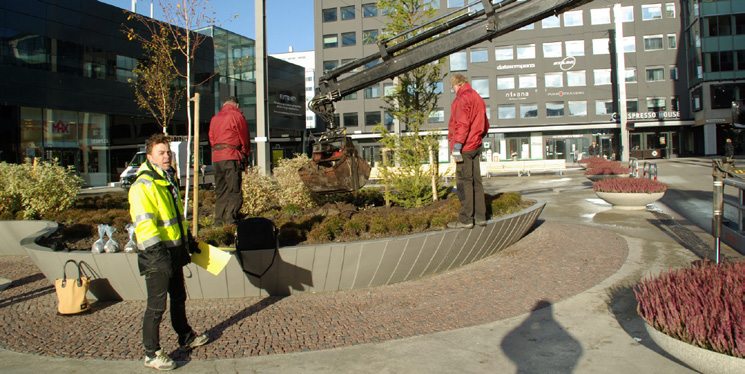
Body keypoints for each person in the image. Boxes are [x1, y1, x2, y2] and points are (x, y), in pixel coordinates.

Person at [129, 134, 208, 371]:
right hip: (157, 255)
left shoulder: (166, 178)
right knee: (156, 306)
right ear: (150, 156)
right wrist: (157, 254)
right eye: (161, 153)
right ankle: (151, 353)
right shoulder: (144, 184)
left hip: (173, 251)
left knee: (179, 297)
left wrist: (188, 241)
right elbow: (145, 226)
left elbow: (174, 217)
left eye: (168, 152)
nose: (167, 156)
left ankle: (185, 338)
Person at [447, 73, 490, 229]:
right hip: (475, 145)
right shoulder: (477, 97)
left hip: (464, 147)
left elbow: (462, 124)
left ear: (456, 84)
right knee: (476, 183)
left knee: (464, 183)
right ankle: (480, 217)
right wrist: (477, 138)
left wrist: (457, 146)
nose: (453, 90)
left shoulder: (462, 98)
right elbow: (485, 124)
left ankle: (465, 219)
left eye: (452, 87)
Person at [209, 96, 251, 226]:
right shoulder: (237, 116)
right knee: (234, 190)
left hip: (217, 157)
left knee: (221, 191)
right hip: (231, 155)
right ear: (236, 105)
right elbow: (244, 138)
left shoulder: (215, 118)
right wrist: (245, 153)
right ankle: (230, 220)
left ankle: (218, 221)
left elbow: (211, 139)